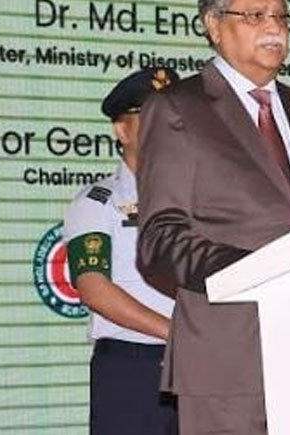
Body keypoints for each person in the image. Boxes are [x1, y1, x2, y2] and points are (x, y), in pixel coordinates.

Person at [136, 0, 290, 435]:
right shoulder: (178, 108)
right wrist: (261, 270)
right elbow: (160, 238)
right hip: (228, 357)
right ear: (213, 24)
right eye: (255, 15)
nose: (274, 27)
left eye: (281, 17)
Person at [63, 66, 180, 435]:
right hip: (133, 370)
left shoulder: (199, 202)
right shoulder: (98, 202)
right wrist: (176, 333)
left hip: (197, 369)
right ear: (122, 130)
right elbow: (94, 289)